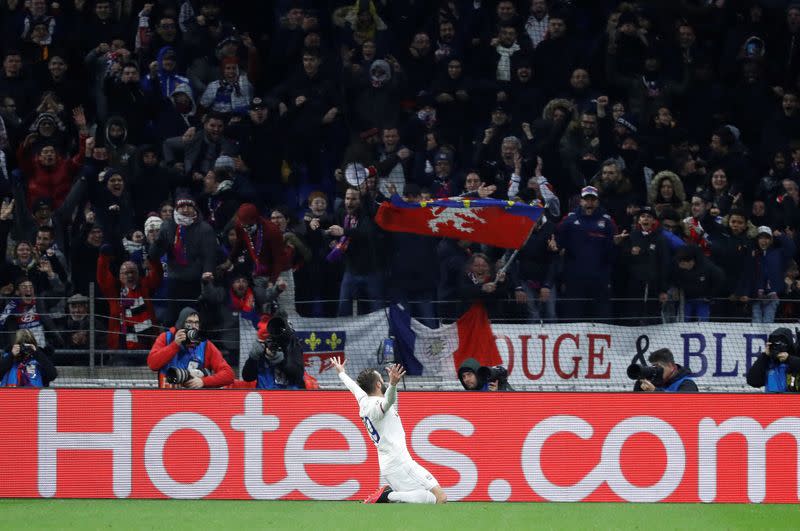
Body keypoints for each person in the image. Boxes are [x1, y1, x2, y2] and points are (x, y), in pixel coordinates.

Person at [331, 356, 447, 504]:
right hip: (401, 463)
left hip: (390, 465)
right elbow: (388, 401)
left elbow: (353, 387)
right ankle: (388, 495)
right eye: (382, 379)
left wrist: (341, 372)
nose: (384, 381)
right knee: (441, 497)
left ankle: (391, 495)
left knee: (431, 499)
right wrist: (392, 384)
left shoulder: (363, 401)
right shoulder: (376, 406)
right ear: (379, 384)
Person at [147, 306, 234, 389]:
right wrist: (175, 345)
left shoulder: (205, 345)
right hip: (165, 398)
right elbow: (152, 365)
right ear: (181, 324)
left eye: (196, 323)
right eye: (189, 322)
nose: (193, 326)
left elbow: (229, 374)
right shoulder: (165, 338)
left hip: (193, 400)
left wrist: (204, 381)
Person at [241, 315, 305, 389]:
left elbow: (297, 376)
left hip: (288, 396)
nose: (269, 342)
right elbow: (247, 377)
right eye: (265, 340)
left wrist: (282, 361)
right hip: (264, 395)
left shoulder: (291, 345)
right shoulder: (260, 349)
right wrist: (252, 358)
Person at [746, 327, 800, 392]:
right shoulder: (767, 361)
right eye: (775, 344)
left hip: (793, 401)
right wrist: (765, 356)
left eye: (781, 343)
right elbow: (752, 381)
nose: (777, 347)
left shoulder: (795, 357)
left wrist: (788, 359)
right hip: (771, 401)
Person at [632, 348, 698, 392]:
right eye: (653, 366)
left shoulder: (688, 384)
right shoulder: (656, 381)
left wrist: (654, 391)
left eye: (658, 366)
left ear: (670, 366)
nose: (656, 370)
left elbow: (681, 405)